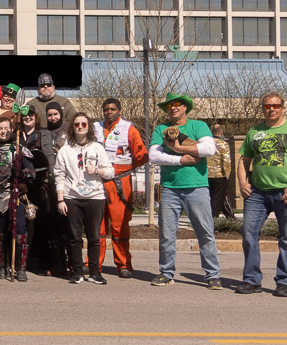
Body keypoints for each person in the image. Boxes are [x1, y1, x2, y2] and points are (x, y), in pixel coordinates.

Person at [235, 92, 287, 297]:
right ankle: (252, 280)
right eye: (267, 106)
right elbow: (244, 160)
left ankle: (283, 281)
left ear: (283, 107)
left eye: (275, 106)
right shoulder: (255, 131)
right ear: (262, 108)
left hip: (286, 192)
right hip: (257, 192)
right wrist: (243, 182)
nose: (271, 109)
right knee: (248, 234)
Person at [148, 92, 222, 290]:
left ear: (185, 108)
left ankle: (212, 275)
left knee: (205, 232)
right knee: (166, 234)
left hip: (197, 186)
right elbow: (154, 156)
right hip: (170, 187)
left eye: (178, 104)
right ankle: (166, 272)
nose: (173, 108)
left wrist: (177, 148)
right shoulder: (161, 129)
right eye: (170, 105)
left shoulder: (198, 126)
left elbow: (209, 149)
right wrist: (181, 159)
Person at [55, 113, 115, 285]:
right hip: (71, 197)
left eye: (83, 124)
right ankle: (77, 272)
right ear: (72, 128)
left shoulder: (97, 148)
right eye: (76, 124)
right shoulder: (65, 150)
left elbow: (110, 172)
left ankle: (95, 272)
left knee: (94, 236)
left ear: (89, 126)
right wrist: (60, 199)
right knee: (74, 237)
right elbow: (59, 175)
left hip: (95, 197)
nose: (80, 127)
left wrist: (97, 171)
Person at [93, 98, 149, 278]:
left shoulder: (129, 129)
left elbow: (141, 154)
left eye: (112, 109)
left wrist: (126, 169)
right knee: (96, 226)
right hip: (97, 181)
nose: (109, 112)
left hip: (119, 183)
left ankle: (123, 264)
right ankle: (94, 263)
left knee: (120, 225)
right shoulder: (94, 128)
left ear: (119, 110)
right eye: (106, 109)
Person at [24, 104, 68, 275]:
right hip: (43, 187)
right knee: (44, 226)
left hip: (64, 186)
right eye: (49, 115)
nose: (53, 117)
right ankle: (45, 264)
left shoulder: (69, 133)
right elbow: (30, 157)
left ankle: (63, 263)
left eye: (56, 114)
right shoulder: (39, 135)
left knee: (63, 227)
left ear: (61, 114)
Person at [0, 117, 36, 281]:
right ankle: (3, 267)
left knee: (20, 233)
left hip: (16, 196)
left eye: (6, 128)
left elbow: (32, 172)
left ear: (11, 129)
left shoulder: (19, 149)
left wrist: (22, 176)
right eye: (0, 129)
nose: (3, 131)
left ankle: (21, 268)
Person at [207, 123, 235, 219]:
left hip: (206, 175)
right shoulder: (223, 144)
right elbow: (226, 161)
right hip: (219, 175)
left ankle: (228, 215)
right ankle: (213, 218)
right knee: (217, 198)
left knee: (209, 197)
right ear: (221, 132)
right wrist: (227, 175)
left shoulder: (206, 143)